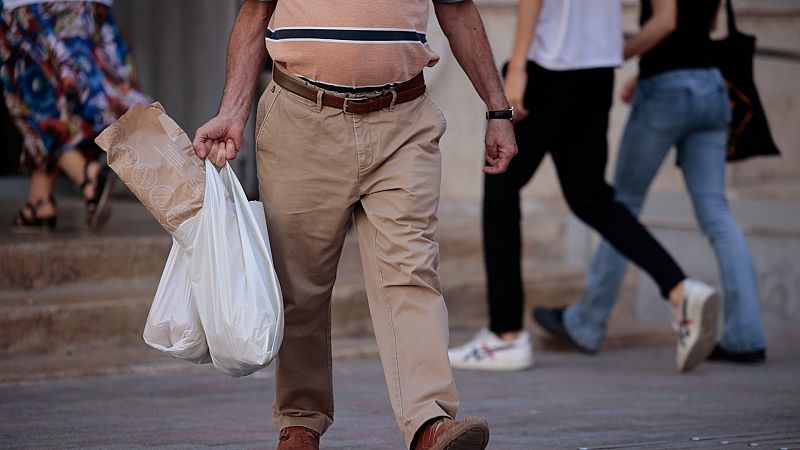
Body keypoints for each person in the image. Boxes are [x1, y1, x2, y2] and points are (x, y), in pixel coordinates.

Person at [192, 1, 517, 449]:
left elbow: (457, 9)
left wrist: (498, 110)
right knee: (300, 286)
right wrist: (232, 111)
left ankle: (429, 422)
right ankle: (300, 422)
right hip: (301, 118)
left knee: (412, 272)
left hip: (403, 121)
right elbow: (254, 13)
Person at [448, 0, 720, 373]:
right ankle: (679, 289)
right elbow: (666, 17)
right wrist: (610, 51)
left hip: (549, 65)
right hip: (597, 71)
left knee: (501, 188)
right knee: (589, 195)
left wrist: (518, 67)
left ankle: (506, 335)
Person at [535, 0, 767, 364]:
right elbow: (703, 25)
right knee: (717, 212)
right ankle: (746, 335)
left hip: (668, 89)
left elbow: (667, 22)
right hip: (711, 84)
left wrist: (614, 56)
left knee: (620, 205)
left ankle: (588, 323)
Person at [0, 0, 149, 232]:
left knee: (31, 106)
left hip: (29, 6)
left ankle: (87, 177)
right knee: (63, 106)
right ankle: (40, 203)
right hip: (85, 8)